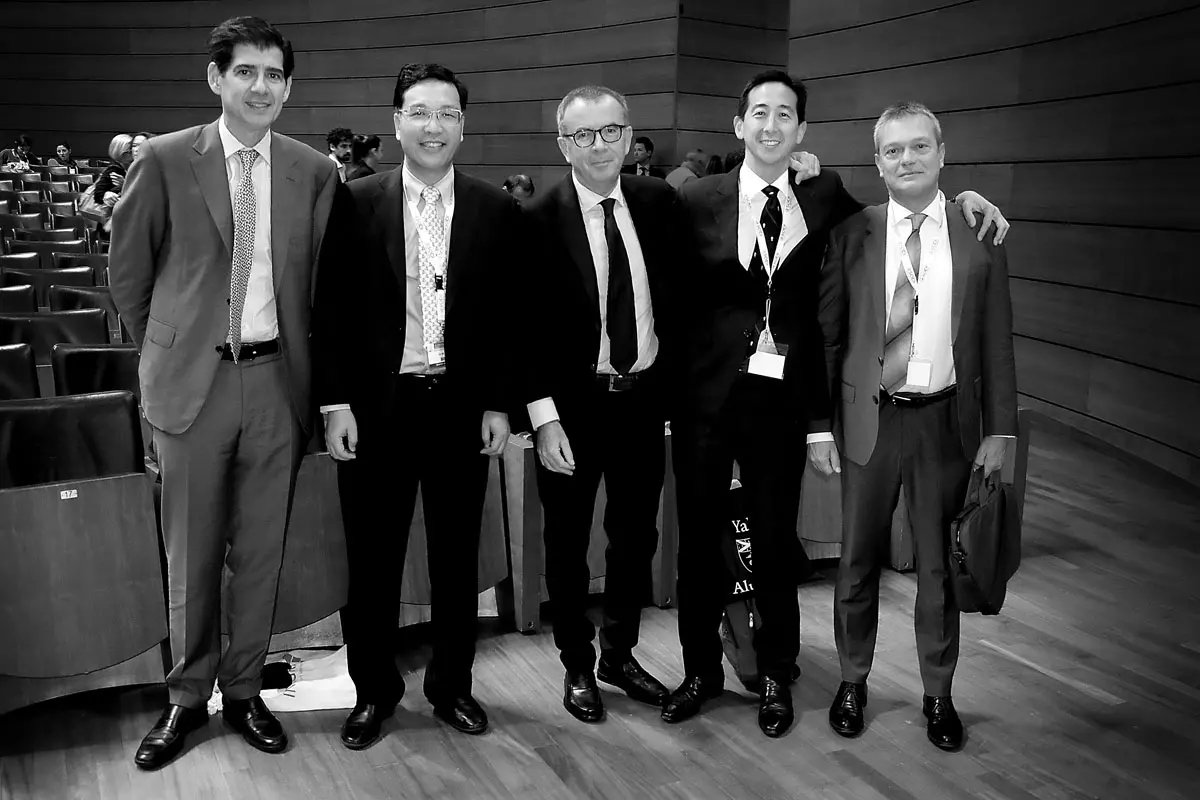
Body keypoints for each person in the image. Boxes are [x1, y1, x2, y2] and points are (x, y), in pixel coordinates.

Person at [667, 70, 1008, 739]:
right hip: (705, 400)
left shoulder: (824, 196)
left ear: (801, 130)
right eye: (758, 112)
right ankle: (700, 670)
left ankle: (776, 673)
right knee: (699, 542)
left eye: (784, 114)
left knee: (774, 541)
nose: (771, 124)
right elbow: (674, 297)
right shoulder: (697, 198)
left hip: (780, 402)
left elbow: (905, 208)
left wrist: (967, 200)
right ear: (739, 125)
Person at [108, 15, 345, 770]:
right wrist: (166, 354)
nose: (260, 87)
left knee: (262, 552)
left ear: (288, 87)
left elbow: (321, 289)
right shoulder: (165, 158)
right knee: (191, 551)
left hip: (277, 384)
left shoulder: (313, 171)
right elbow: (128, 276)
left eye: (274, 74)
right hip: (191, 388)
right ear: (217, 78)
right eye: (246, 71)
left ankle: (243, 690)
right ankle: (186, 697)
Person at [312, 62, 520, 751]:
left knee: (457, 558)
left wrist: (498, 405)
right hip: (379, 407)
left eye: (448, 114)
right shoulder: (355, 200)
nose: (435, 127)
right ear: (398, 122)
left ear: (464, 125)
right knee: (372, 559)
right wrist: (335, 402)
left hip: (460, 407)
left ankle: (452, 686)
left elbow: (505, 322)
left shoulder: (494, 208)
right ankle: (373, 690)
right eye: (421, 113)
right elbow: (330, 311)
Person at [815, 102, 1016, 752]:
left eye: (920, 146)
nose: (907, 159)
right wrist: (819, 424)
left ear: (941, 153)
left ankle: (938, 692)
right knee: (856, 561)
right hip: (868, 420)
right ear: (878, 162)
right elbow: (829, 336)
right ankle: (852, 680)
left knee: (938, 567)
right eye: (893, 150)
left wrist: (1001, 432)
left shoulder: (978, 232)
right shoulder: (853, 234)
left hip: (945, 423)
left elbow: (997, 341)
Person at [521, 85, 684, 724]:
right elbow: (520, 330)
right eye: (583, 135)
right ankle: (577, 664)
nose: (599, 145)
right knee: (566, 543)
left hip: (641, 403)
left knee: (635, 538)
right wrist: (543, 418)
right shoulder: (535, 218)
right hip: (571, 410)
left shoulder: (659, 202)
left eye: (611, 131)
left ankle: (619, 653)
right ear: (563, 143)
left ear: (629, 136)